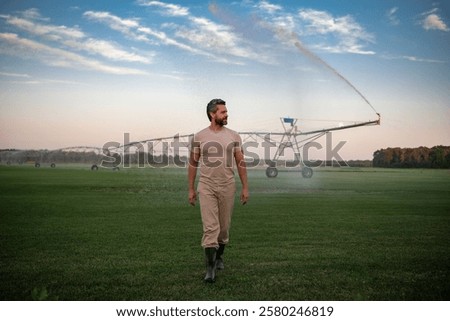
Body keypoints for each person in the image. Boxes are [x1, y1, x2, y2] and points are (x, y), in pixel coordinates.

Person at [188, 98, 249, 283]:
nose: (226, 114)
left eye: (226, 111)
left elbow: (240, 161)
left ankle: (219, 256)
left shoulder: (234, 136)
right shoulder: (199, 136)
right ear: (212, 114)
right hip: (206, 186)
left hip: (227, 186)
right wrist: (191, 189)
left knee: (223, 230)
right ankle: (210, 269)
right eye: (223, 112)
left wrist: (245, 187)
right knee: (210, 228)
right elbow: (193, 163)